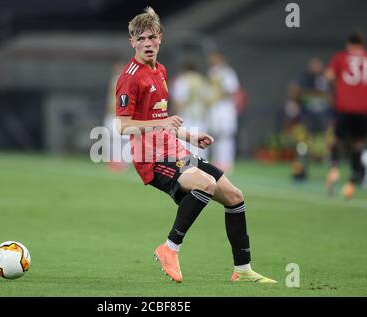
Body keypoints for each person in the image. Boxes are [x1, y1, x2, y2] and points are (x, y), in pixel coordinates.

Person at [115, 7, 276, 283]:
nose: (147, 44)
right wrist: (161, 125)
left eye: (152, 37)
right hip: (151, 159)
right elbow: (122, 126)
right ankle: (169, 248)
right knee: (205, 184)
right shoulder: (130, 77)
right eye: (141, 39)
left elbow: (159, 120)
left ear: (160, 38)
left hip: (174, 151)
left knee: (234, 196)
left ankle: (243, 269)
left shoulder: (161, 70)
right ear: (132, 42)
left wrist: (188, 136)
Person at [324, 32, 367, 199]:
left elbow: (329, 76)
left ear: (348, 44)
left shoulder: (341, 57)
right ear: (362, 44)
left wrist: (340, 83)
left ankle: (334, 168)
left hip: (345, 107)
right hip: (364, 109)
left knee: (337, 139)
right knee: (358, 143)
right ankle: (351, 182)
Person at [207, 52, 241, 172]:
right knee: (215, 135)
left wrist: (219, 92)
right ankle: (217, 161)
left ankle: (227, 161)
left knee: (226, 135)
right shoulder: (212, 72)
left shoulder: (227, 72)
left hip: (226, 107)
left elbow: (232, 90)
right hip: (215, 107)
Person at [171, 61, 211, 159]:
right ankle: (202, 168)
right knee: (200, 142)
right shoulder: (202, 80)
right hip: (200, 115)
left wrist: (174, 114)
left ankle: (187, 168)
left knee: (184, 142)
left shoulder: (182, 80)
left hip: (186, 115)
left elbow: (179, 100)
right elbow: (209, 99)